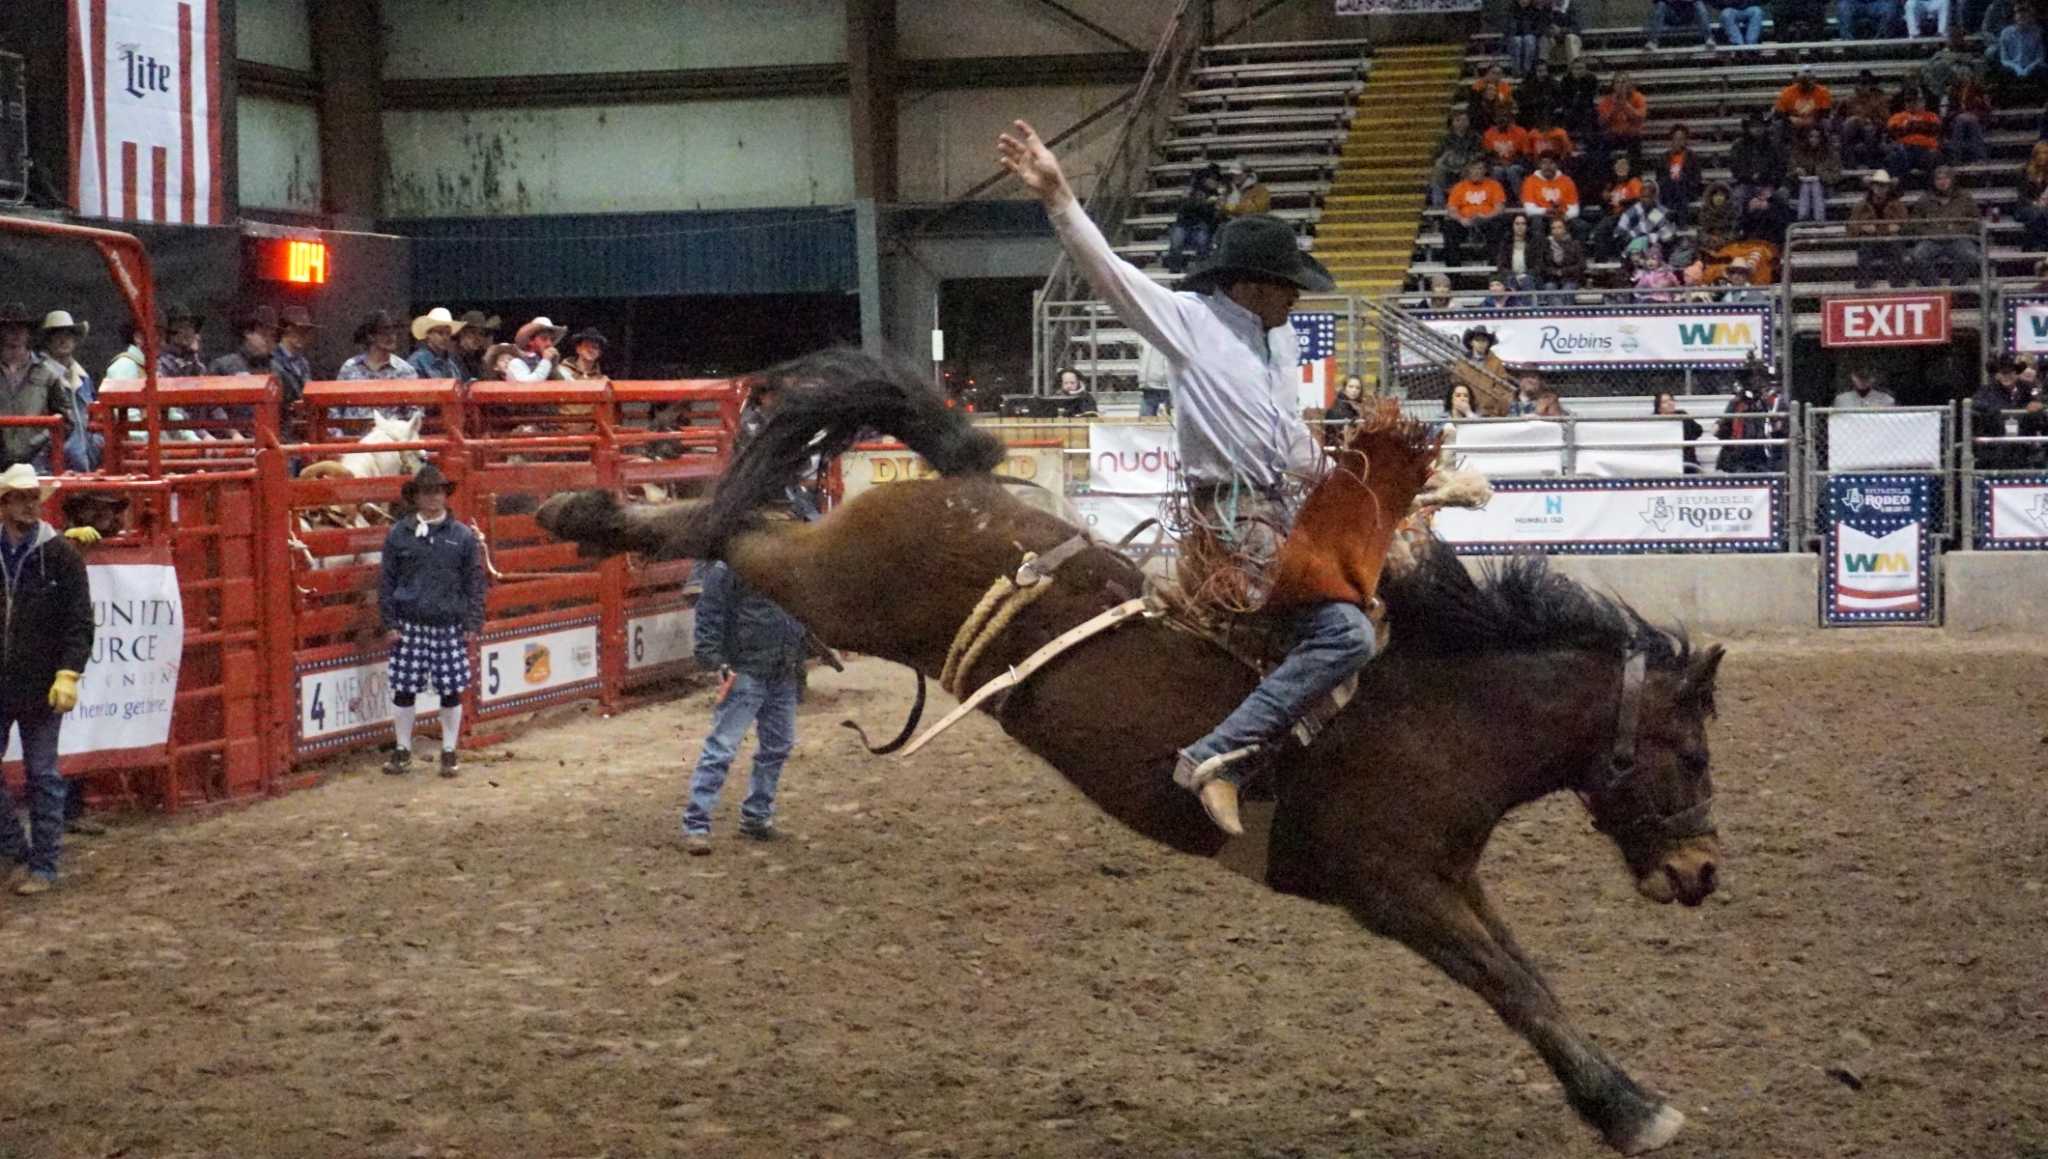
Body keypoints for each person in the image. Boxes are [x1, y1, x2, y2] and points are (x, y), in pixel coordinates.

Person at [998, 118, 1374, 838]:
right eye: (1289, 286)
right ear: (1254, 286)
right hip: (1233, 526)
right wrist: (1060, 198)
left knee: (1382, 596)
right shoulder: (1188, 322)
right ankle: (1217, 754)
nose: (1298, 298)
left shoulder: (1274, 345)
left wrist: (1349, 481)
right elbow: (1111, 273)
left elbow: (1291, 442)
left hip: (1275, 513)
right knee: (1348, 635)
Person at [0, 464, 93, 895]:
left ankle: (44, 864)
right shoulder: (57, 554)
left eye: (33, 496)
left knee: (42, 773)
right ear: (4, 504)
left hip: (40, 683)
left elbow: (79, 622)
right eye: (20, 497)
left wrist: (68, 672)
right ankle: (18, 850)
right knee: (41, 773)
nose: (30, 504)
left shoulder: (60, 555)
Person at [680, 557, 808, 855]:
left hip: (776, 668)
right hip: (752, 669)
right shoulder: (733, 568)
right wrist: (715, 662)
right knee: (725, 748)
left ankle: (749, 817)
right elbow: (710, 614)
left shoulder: (741, 566)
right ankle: (702, 824)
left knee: (774, 745)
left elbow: (709, 613)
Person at [377, 463, 485, 777]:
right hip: (411, 622)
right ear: (417, 497)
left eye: (438, 492)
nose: (434, 498)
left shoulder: (461, 536)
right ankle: (404, 748)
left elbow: (474, 582)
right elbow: (387, 580)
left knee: (449, 688)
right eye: (427, 492)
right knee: (404, 688)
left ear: (444, 496)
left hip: (447, 623)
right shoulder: (400, 534)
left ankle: (448, 749)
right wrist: (390, 622)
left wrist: (472, 622)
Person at [54, 489, 126, 837]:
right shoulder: (56, 547)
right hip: (58, 654)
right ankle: (62, 811)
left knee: (79, 724)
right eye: (103, 513)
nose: (113, 521)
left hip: (74, 652)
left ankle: (70, 809)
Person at [36, 311, 100, 473]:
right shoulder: (39, 377)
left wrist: (97, 446)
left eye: (68, 334)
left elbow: (94, 419)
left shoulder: (84, 379)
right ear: (48, 341)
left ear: (75, 339)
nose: (63, 340)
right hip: (52, 467)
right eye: (57, 335)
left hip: (86, 465)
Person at [1908, 164, 1982, 285]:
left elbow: (1976, 221)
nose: (1942, 182)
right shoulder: (1925, 199)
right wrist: (1929, 233)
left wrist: (1960, 231)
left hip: (1958, 239)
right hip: (1932, 240)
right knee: (1918, 255)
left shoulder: (1965, 198)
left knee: (1969, 255)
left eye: (1946, 178)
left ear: (1952, 180)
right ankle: (1937, 290)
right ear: (1934, 181)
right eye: (1939, 179)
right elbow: (1914, 223)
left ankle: (1954, 291)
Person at [1972, 355, 2048, 468]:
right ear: (1997, 375)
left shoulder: (2027, 389)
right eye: (2003, 373)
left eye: (2010, 372)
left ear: (2017, 374)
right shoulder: (1987, 390)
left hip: (2023, 449)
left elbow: (2041, 400)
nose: (2006, 376)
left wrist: (2039, 405)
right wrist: (1995, 410)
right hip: (1996, 447)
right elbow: (1975, 403)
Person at [0, 304, 50, 471]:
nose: (16, 333)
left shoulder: (47, 373)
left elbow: (66, 419)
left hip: (36, 460)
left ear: (29, 332)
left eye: (21, 328)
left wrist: (40, 440)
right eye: (10, 328)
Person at [1714, 377, 1788, 472]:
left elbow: (1779, 428)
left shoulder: (1772, 403)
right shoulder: (1737, 403)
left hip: (1764, 456)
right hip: (1739, 455)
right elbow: (1719, 429)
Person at [1849, 171, 1908, 286]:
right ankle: (1864, 281)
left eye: (1883, 185)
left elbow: (1907, 224)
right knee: (1864, 247)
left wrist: (1900, 227)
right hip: (1870, 241)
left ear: (1888, 187)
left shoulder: (1897, 204)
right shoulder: (1861, 205)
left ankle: (1898, 281)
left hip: (1890, 241)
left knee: (1896, 245)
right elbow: (1850, 226)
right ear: (1872, 186)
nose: (1880, 188)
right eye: (1877, 184)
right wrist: (1861, 227)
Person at [1165, 165, 1226, 273]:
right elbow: (1184, 209)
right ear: (1205, 179)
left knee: (1203, 243)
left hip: (1201, 226)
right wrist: (1205, 204)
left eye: (1217, 180)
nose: (1215, 182)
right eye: (1212, 179)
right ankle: (1174, 269)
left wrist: (1216, 208)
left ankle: (1201, 270)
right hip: (1183, 224)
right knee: (1176, 243)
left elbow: (1213, 220)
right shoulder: (1191, 192)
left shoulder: (1216, 196)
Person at [1445, 158, 1511, 258]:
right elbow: (1452, 209)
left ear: (1485, 171)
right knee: (1449, 227)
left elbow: (1500, 208)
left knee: (1498, 225)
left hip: (1487, 221)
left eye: (1479, 169)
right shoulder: (1459, 187)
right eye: (1473, 169)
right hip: (1465, 221)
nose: (1476, 172)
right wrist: (1461, 219)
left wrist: (1486, 217)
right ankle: (1454, 269)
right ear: (1468, 171)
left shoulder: (1494, 185)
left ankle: (1494, 265)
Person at [338, 311, 422, 382]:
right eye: (385, 331)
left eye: (394, 331)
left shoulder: (405, 370)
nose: (392, 337)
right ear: (370, 336)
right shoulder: (350, 368)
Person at [1885, 88, 1945, 186]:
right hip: (1905, 151)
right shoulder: (1898, 116)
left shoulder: (1931, 116)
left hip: (1926, 151)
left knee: (1935, 156)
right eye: (1908, 101)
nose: (1911, 103)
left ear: (1922, 102)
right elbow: (1894, 131)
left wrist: (1910, 126)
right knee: (1894, 155)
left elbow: (1934, 130)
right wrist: (1919, 126)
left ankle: (1933, 188)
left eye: (1914, 100)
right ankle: (1896, 187)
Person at [1429, 109, 1485, 208]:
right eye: (1458, 120)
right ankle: (1438, 207)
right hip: (1450, 166)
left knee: (1475, 169)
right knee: (1436, 173)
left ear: (1468, 122)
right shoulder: (1445, 138)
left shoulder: (1475, 137)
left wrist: (1468, 163)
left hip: (1468, 165)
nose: (1461, 123)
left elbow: (1480, 154)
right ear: (1453, 122)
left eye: (1464, 120)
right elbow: (1437, 155)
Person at [1787, 124, 1843, 222]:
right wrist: (1797, 171)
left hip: (1826, 188)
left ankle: (1809, 218)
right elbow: (1789, 173)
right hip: (1799, 189)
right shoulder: (1798, 153)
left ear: (1822, 138)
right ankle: (1811, 218)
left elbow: (1836, 176)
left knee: (1816, 185)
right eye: (1811, 136)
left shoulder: (1831, 154)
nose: (1814, 140)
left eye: (1817, 137)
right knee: (1806, 186)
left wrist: (1821, 174)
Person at [1727, 114, 1784, 209]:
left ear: (1764, 127)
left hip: (1768, 184)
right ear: (1748, 128)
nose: (1757, 129)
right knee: (1738, 196)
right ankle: (1737, 222)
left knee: (1781, 196)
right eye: (1754, 126)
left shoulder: (1773, 145)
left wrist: (1771, 183)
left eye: (1760, 126)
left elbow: (1779, 167)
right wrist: (1749, 176)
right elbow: (1735, 166)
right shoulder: (1739, 146)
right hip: (1746, 184)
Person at [1839, 70, 1894, 167]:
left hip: (1873, 130)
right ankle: (1848, 162)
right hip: (1853, 132)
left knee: (1869, 129)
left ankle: (1870, 162)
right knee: (1850, 123)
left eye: (1866, 83)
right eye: (1861, 83)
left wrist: (1871, 121)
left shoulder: (1879, 99)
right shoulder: (1849, 100)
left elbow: (1886, 120)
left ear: (1871, 85)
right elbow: (1838, 118)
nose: (1863, 86)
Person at [1992, 3, 2045, 103]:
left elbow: (2040, 57)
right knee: (2001, 72)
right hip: (2013, 66)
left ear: (2030, 16)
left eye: (2025, 14)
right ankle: (2004, 102)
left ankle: (2041, 102)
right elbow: (2004, 59)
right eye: (2019, 14)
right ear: (2015, 17)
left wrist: (2028, 68)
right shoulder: (2005, 33)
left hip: (2031, 66)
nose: (2022, 17)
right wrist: (2017, 68)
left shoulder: (2037, 32)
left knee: (2043, 70)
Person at [1456, 326, 1514, 414]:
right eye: (1477, 340)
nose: (1480, 343)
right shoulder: (1462, 363)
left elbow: (1502, 387)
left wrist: (1489, 403)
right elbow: (1457, 384)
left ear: (1488, 344)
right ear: (1471, 342)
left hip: (1489, 411)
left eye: (1484, 341)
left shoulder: (1496, 363)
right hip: (1466, 409)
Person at [207, 305, 277, 377]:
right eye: (263, 334)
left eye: (272, 336)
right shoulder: (223, 366)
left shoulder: (275, 368)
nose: (268, 340)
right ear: (248, 333)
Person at [271, 306, 318, 405]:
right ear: (285, 331)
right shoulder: (271, 360)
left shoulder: (303, 363)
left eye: (306, 331)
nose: (302, 335)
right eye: (297, 330)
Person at [1595, 72, 1648, 160]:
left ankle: (1635, 172)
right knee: (1602, 144)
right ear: (1613, 85)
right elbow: (1601, 122)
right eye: (1618, 82)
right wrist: (1614, 108)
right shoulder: (1607, 100)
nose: (1621, 85)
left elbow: (1640, 117)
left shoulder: (1638, 97)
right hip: (1613, 135)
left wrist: (1625, 104)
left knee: (1635, 143)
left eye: (1623, 82)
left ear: (1629, 84)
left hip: (1631, 135)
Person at [1520, 150, 1581, 224]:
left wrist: (1564, 217)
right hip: (1542, 218)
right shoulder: (1530, 181)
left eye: (1551, 163)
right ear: (1539, 165)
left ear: (1557, 165)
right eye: (1544, 163)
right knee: (1537, 221)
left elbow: (1574, 209)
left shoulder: (1567, 181)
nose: (1547, 166)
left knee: (1580, 225)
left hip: (1563, 217)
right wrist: (1546, 210)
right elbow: (1529, 209)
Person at [1774, 65, 1834, 138]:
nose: (1805, 84)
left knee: (1826, 122)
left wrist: (1813, 119)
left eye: (1808, 81)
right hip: (1793, 122)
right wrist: (1790, 118)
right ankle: (1781, 148)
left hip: (1815, 121)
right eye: (1803, 81)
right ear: (1798, 81)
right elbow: (1779, 112)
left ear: (1814, 80)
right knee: (1778, 124)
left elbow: (1826, 112)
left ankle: (1827, 145)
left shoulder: (1823, 91)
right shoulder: (1787, 92)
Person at [1496, 211, 1552, 290]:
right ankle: (1513, 302)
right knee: (1511, 280)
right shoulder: (1506, 243)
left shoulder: (1534, 243)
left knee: (1527, 280)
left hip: (1531, 277)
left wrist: (1525, 275)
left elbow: (1539, 265)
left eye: (1523, 224)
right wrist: (1514, 276)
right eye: (1517, 224)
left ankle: (1527, 302)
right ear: (1512, 226)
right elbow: (1501, 265)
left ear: (1527, 226)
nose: (1520, 226)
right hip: (1511, 277)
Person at [407, 307, 467, 380]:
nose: (445, 337)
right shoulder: (417, 361)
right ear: (428, 334)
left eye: (448, 333)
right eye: (440, 333)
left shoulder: (452, 364)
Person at [1483, 107, 1533, 192]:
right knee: (1496, 171)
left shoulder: (1520, 132)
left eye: (1505, 116)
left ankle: (1520, 199)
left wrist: (1511, 162)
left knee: (1512, 170)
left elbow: (1525, 155)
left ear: (1510, 118)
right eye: (1499, 116)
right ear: (1494, 118)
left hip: (1517, 164)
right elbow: (1488, 155)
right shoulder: (1488, 134)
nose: (1502, 119)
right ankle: (1497, 198)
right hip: (1497, 165)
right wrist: (1499, 162)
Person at [1660, 125, 1702, 224]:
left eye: (1681, 139)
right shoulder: (1664, 157)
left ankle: (1678, 221)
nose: (1678, 142)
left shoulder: (1692, 157)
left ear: (1685, 141)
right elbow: (1660, 177)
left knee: (1680, 186)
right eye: (1676, 139)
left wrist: (1685, 180)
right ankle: (1660, 223)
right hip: (1668, 189)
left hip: (1687, 189)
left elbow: (1697, 178)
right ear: (1672, 140)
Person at [1653, 392, 1704, 472]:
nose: (1670, 403)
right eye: (1665, 402)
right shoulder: (1654, 421)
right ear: (1659, 408)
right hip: (1664, 462)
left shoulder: (1682, 415)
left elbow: (1698, 430)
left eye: (1671, 400)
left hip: (1687, 460)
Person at [506, 317, 566, 382]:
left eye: (551, 339)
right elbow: (530, 386)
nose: (549, 343)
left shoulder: (554, 366)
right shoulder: (516, 363)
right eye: (544, 338)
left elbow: (568, 386)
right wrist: (546, 361)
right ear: (530, 340)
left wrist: (553, 367)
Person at [157, 304, 206, 378]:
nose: (187, 332)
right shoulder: (161, 364)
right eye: (181, 327)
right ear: (170, 333)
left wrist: (193, 354)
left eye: (190, 326)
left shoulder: (196, 363)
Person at [452, 311, 499, 383]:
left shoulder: (478, 357)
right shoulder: (451, 356)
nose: (478, 338)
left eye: (481, 334)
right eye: (473, 332)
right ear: (462, 333)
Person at [1645, 0, 1714, 48]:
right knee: (1661, 4)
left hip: (1687, 15)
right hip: (1671, 15)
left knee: (1699, 4)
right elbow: (1655, 1)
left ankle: (1708, 39)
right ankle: (1652, 41)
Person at [1507, 0, 1551, 76]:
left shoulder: (1536, 11)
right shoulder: (1511, 10)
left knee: (1529, 39)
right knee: (1517, 40)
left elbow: (1540, 28)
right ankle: (1516, 70)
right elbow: (1509, 28)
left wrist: (1530, 33)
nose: (1524, 1)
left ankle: (1527, 70)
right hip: (1514, 37)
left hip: (1532, 37)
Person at [2019, 141, 2048, 249]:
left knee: (2043, 213)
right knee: (2038, 214)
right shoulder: (2024, 172)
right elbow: (2022, 197)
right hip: (2026, 207)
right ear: (2034, 155)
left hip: (2045, 209)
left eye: (2045, 153)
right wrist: (2034, 203)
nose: (2042, 156)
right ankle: (2037, 245)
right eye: (2039, 153)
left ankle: (2035, 245)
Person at [1545, 214, 1588, 288]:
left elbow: (1582, 265)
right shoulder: (1547, 245)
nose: (1556, 230)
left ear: (1565, 229)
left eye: (1559, 227)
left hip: (1571, 279)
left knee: (1568, 288)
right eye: (1553, 228)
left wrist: (1563, 272)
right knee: (1549, 287)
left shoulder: (1575, 244)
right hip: (1553, 279)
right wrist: (1554, 272)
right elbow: (1543, 265)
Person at [1137, 339, 1172, 417]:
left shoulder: (1171, 333)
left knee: (1169, 425)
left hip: (1167, 388)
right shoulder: (1145, 336)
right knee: (1145, 425)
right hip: (1148, 388)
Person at [1832, 368, 1898, 408]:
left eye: (1866, 378)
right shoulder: (1841, 399)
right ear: (1853, 377)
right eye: (1859, 377)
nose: (1862, 381)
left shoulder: (1886, 400)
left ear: (1873, 378)